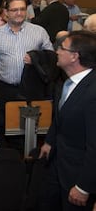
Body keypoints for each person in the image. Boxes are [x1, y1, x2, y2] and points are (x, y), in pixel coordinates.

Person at [39, 30, 96, 210]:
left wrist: (83, 187)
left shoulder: (92, 93)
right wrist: (49, 141)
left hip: (77, 177)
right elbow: (60, 119)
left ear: (74, 56)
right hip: (58, 166)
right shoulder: (67, 83)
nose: (56, 51)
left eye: (61, 48)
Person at [0, 0, 53, 144]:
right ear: (6, 12)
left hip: (32, 89)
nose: (19, 13)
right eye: (14, 10)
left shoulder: (39, 31)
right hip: (4, 90)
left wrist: (37, 57)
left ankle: (28, 160)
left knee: (29, 129)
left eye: (22, 9)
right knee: (4, 129)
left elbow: (52, 57)